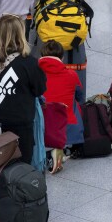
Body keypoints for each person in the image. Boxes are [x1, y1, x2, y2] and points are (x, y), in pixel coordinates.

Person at [0, 15, 46, 157]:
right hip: (21, 122)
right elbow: (40, 89)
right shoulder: (29, 63)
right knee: (22, 165)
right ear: (20, 35)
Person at [37, 39, 80, 170]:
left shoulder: (35, 74)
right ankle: (66, 145)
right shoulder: (72, 74)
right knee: (75, 100)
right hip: (63, 122)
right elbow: (80, 96)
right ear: (62, 57)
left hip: (41, 120)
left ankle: (45, 151)